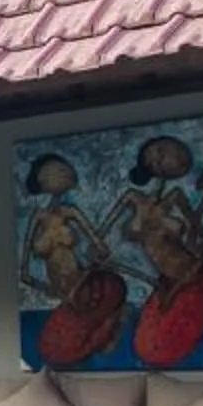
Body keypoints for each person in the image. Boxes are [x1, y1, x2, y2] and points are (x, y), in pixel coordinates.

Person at [102, 135, 203, 367]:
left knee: (166, 345)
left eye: (164, 152)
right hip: (167, 283)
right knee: (148, 346)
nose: (161, 159)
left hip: (193, 275)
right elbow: (99, 247)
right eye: (156, 155)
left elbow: (201, 237)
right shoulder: (132, 197)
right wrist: (151, 281)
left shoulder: (175, 196)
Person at [23, 153, 127, 366]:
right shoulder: (38, 217)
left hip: (82, 284)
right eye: (55, 170)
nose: (64, 172)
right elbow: (24, 272)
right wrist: (43, 287)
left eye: (65, 168)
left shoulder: (70, 212)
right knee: (56, 350)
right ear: (41, 180)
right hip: (63, 293)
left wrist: (95, 256)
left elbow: (99, 246)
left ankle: (112, 320)